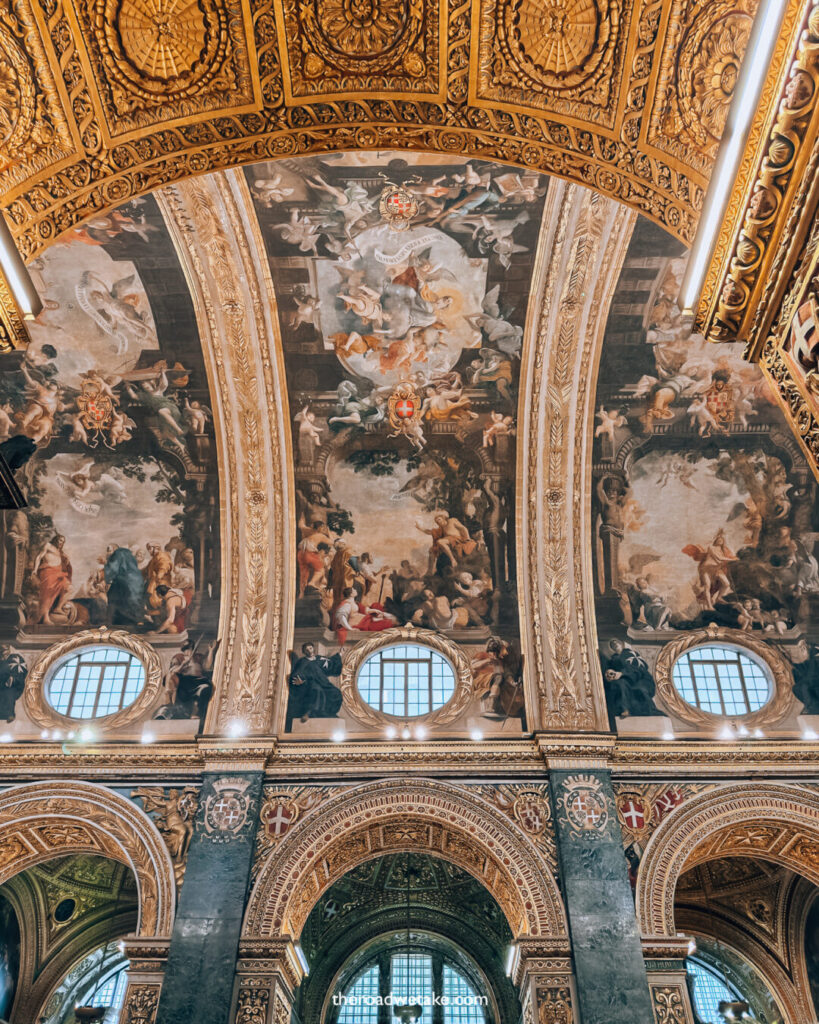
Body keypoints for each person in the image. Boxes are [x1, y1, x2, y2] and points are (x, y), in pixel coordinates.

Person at [286, 642, 343, 728]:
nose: (309, 651)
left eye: (310, 648)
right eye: (307, 650)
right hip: (309, 683)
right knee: (317, 691)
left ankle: (327, 713)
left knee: (336, 693)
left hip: (324, 683)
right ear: (304, 652)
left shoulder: (319, 659)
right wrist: (300, 681)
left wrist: (339, 654)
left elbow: (330, 663)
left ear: (313, 649)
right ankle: (309, 713)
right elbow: (297, 674)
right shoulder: (302, 662)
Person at [32, 535, 72, 625]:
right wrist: (34, 569)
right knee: (48, 593)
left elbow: (64, 558)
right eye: (60, 540)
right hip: (48, 571)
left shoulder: (59, 551)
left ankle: (58, 607)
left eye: (63, 541)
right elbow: (39, 557)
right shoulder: (48, 545)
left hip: (58, 572)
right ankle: (45, 618)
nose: (61, 542)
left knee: (68, 587)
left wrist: (66, 558)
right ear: (55, 539)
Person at [103, 545, 147, 626]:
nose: (108, 553)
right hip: (136, 582)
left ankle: (109, 623)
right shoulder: (130, 557)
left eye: (110, 551)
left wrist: (107, 579)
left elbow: (112, 570)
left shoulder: (118, 554)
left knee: (112, 596)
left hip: (124, 582)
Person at [0, 646, 26, 722]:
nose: (3, 655)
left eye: (5, 653)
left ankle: (9, 714)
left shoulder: (14, 660)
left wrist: (12, 679)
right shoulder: (2, 661)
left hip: (10, 686)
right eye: (2, 653)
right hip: (1, 683)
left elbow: (20, 675)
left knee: (9, 694)